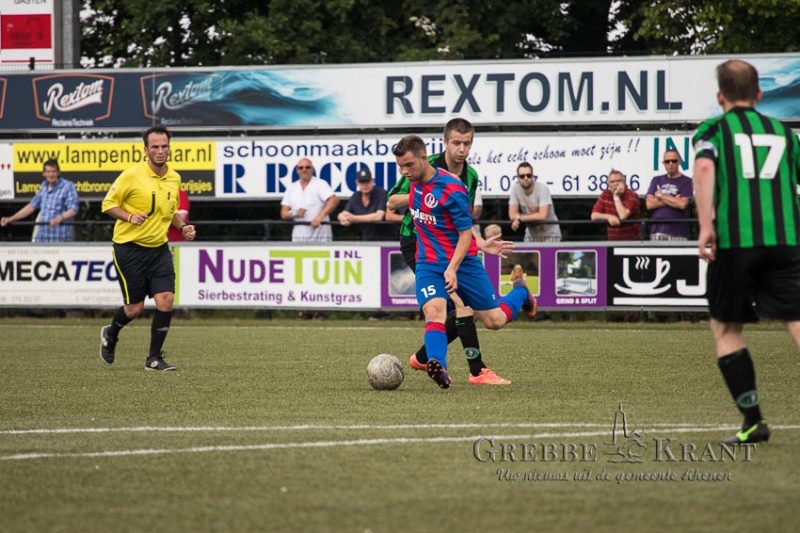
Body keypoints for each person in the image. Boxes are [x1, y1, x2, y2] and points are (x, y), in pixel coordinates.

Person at [694, 59, 800, 444]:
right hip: (786, 239)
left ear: (720, 95)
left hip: (735, 241)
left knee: (726, 328)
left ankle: (753, 422)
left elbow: (704, 170)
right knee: (797, 320)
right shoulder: (783, 132)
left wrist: (706, 225)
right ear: (758, 94)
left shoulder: (713, 129)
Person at [392, 135, 536, 389]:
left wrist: (453, 267)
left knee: (494, 320)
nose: (404, 171)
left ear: (424, 158)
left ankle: (521, 292)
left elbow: (465, 232)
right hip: (428, 262)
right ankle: (438, 365)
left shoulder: (453, 188)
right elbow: (393, 204)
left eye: (409, 165)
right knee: (434, 311)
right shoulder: (413, 183)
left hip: (464, 262)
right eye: (400, 166)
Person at [99, 125, 197, 372]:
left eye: (164, 146)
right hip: (129, 248)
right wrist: (129, 217)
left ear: (169, 148)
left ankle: (154, 359)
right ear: (145, 150)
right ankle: (111, 333)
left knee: (166, 300)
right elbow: (108, 204)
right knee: (134, 308)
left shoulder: (174, 178)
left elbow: (171, 211)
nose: (160, 151)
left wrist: (183, 226)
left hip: (159, 248)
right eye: (155, 147)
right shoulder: (131, 175)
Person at [1, 159, 79, 242]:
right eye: (48, 172)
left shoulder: (68, 186)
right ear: (43, 173)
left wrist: (60, 218)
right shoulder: (43, 186)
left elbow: (73, 209)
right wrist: (11, 219)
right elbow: (31, 206)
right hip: (42, 237)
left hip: (60, 237)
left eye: (53, 171)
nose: (51, 175)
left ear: (58, 173)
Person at [280, 158, 339, 243]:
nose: (304, 170)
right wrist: (295, 213)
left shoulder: (320, 184)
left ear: (312, 169)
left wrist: (320, 217)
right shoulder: (291, 187)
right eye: (301, 168)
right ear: (297, 170)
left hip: (321, 238)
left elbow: (334, 200)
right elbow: (283, 213)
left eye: (307, 167)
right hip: (298, 239)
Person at [645, 150, 693, 240]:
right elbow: (649, 204)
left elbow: (682, 204)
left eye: (673, 161)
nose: (670, 164)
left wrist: (661, 196)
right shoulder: (656, 180)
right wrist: (674, 199)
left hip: (678, 232)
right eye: (667, 161)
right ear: (663, 163)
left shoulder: (687, 181)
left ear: (679, 162)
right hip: (656, 231)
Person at [508, 162, 562, 242]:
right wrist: (518, 217)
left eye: (529, 175)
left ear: (533, 176)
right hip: (531, 234)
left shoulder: (542, 188)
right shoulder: (515, 189)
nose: (526, 178)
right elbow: (512, 214)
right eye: (522, 176)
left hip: (550, 234)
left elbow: (542, 216)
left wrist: (519, 217)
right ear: (518, 178)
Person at [337, 168, 390, 240]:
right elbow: (344, 213)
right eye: (362, 182)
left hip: (385, 239)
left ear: (372, 181)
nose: (365, 185)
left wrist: (354, 218)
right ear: (357, 182)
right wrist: (341, 218)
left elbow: (378, 216)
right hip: (365, 239)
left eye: (367, 182)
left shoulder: (382, 193)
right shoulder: (355, 196)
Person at [590, 170, 641, 240]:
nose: (616, 183)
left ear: (624, 182)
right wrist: (608, 217)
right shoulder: (605, 195)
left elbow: (623, 216)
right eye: (612, 182)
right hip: (612, 241)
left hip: (632, 241)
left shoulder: (632, 195)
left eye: (619, 181)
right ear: (608, 184)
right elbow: (593, 216)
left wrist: (616, 197)